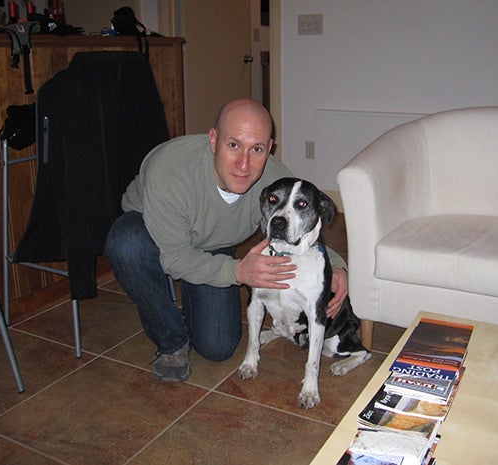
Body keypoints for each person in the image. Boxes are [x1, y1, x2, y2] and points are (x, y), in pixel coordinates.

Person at [104, 98, 348, 382]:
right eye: (233, 145)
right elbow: (175, 258)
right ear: (213, 140)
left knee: (218, 346)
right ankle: (171, 339)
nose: (244, 164)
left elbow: (300, 233)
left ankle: (195, 308)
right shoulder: (169, 170)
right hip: (155, 228)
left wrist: (338, 266)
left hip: (215, 239)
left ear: (269, 149)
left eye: (256, 149)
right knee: (126, 244)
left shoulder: (276, 182)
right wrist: (235, 271)